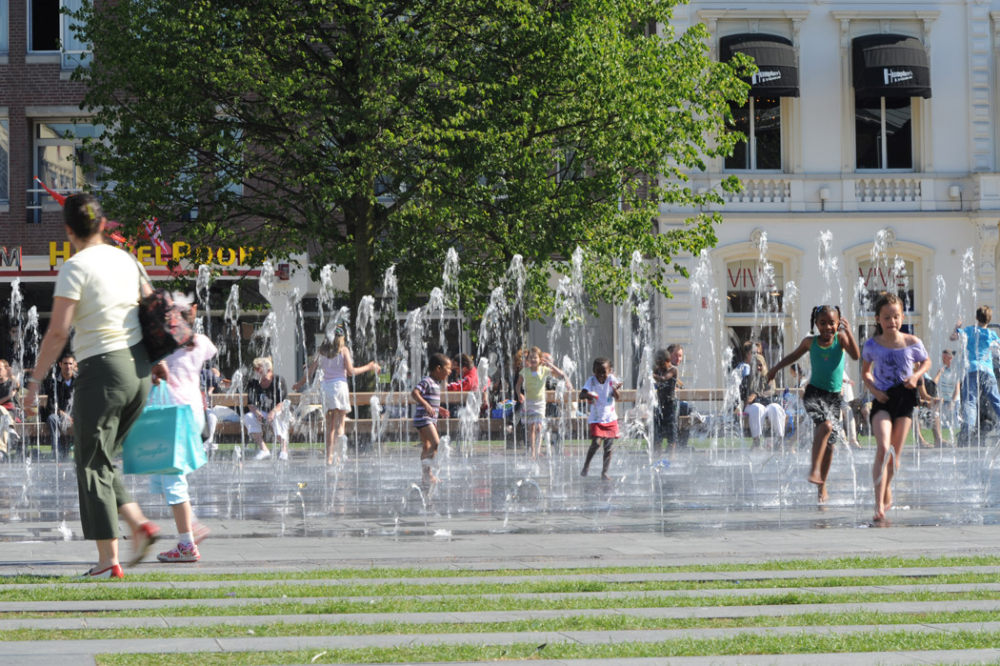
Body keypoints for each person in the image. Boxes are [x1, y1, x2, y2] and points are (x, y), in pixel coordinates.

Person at [22, 193, 165, 579]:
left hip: (103, 371)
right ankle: (139, 525)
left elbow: (56, 333)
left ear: (69, 230)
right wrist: (160, 362)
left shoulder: (75, 267)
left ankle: (108, 560)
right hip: (139, 372)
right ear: (103, 224)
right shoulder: (128, 260)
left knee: (89, 462)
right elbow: (153, 311)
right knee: (99, 458)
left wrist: (34, 382)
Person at [767, 305, 860, 502]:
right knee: (825, 426)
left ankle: (821, 486)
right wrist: (775, 368)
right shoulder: (810, 342)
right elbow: (793, 356)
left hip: (834, 398)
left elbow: (856, 356)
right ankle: (814, 470)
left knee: (831, 446)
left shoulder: (841, 340)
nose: (827, 328)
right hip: (814, 393)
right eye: (823, 323)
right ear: (816, 324)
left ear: (838, 323)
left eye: (831, 323)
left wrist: (849, 333)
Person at [151, 296, 215, 563]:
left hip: (171, 414)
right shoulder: (202, 343)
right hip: (193, 414)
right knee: (161, 479)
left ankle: (187, 545)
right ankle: (193, 526)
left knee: (173, 480)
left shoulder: (165, 345)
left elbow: (155, 371)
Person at [861, 292, 931, 523]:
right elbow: (865, 373)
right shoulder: (872, 345)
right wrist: (875, 392)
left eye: (896, 317)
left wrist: (917, 376)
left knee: (895, 455)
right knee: (883, 447)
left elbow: (926, 361)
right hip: (883, 400)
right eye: (887, 317)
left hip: (906, 399)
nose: (892, 322)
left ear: (902, 317)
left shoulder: (912, 342)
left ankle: (887, 487)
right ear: (878, 320)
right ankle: (878, 503)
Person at [296, 327, 380, 465]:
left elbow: (310, 372)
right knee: (340, 424)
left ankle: (329, 458)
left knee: (330, 426)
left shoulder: (321, 352)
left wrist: (299, 384)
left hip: (326, 389)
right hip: (340, 388)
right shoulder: (343, 351)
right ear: (341, 338)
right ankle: (339, 457)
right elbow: (351, 371)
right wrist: (369, 366)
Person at [952, 306, 1000, 446]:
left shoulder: (968, 330)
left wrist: (957, 327)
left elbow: (953, 337)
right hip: (987, 370)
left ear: (977, 317)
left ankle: (968, 429)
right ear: (989, 319)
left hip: (972, 369)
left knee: (970, 401)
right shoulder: (991, 334)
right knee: (995, 399)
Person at [515, 346, 566, 458]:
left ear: (539, 359)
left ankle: (537, 449)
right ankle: (533, 451)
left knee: (539, 427)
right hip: (529, 402)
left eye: (535, 357)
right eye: (531, 358)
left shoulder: (544, 370)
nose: (533, 360)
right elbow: (518, 385)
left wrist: (549, 364)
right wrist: (519, 394)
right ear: (528, 360)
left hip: (540, 403)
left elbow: (561, 374)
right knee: (531, 427)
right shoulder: (524, 371)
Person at [411, 353, 451, 486]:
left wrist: (440, 409)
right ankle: (428, 472)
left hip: (429, 419)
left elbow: (431, 401)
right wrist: (426, 405)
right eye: (448, 368)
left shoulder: (435, 383)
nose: (450, 372)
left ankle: (425, 476)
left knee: (427, 446)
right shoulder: (427, 381)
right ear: (438, 369)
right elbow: (414, 393)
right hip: (424, 419)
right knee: (436, 443)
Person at [579, 357, 621, 480]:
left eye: (604, 372)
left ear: (609, 371)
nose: (601, 375)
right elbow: (581, 394)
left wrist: (614, 390)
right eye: (598, 372)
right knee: (596, 443)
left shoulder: (611, 380)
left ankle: (604, 472)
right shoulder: (591, 381)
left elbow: (617, 397)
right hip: (597, 418)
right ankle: (586, 465)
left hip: (610, 418)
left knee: (608, 447)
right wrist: (588, 394)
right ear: (594, 371)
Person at [243, 357, 289, 461]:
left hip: (278, 410)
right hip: (263, 412)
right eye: (255, 369)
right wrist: (257, 413)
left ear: (268, 370)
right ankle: (264, 449)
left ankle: (283, 450)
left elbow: (283, 402)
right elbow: (250, 403)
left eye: (258, 369)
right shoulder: (253, 382)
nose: (256, 371)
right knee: (248, 417)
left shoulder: (278, 380)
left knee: (278, 416)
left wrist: (273, 412)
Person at [741, 354, 786, 449]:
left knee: (775, 407)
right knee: (758, 407)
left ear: (764, 365)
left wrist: (756, 395)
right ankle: (756, 441)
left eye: (760, 365)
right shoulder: (746, 379)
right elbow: (744, 397)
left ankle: (780, 439)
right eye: (755, 365)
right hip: (752, 407)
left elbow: (770, 392)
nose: (758, 367)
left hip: (767, 404)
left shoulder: (769, 378)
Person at [41, 353, 77, 460]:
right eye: (65, 363)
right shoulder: (53, 382)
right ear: (60, 364)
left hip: (76, 416)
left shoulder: (79, 381)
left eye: (70, 363)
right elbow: (51, 405)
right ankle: (57, 453)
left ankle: (83, 453)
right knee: (52, 418)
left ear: (74, 365)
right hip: (59, 415)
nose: (68, 366)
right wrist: (64, 414)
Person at [653, 344, 684, 452]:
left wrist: (651, 375)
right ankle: (657, 458)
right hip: (659, 405)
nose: (659, 366)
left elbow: (663, 379)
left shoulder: (673, 370)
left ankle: (671, 459)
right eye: (657, 364)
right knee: (657, 436)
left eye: (661, 364)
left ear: (667, 361)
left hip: (671, 406)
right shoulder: (658, 370)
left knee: (672, 436)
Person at [932, 348, 961, 446]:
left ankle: (956, 442)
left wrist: (952, 402)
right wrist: (939, 373)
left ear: (950, 358)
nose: (943, 359)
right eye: (942, 357)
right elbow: (934, 383)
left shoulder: (956, 371)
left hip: (953, 401)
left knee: (955, 424)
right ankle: (941, 441)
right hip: (943, 400)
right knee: (942, 422)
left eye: (945, 357)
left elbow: (957, 389)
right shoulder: (942, 370)